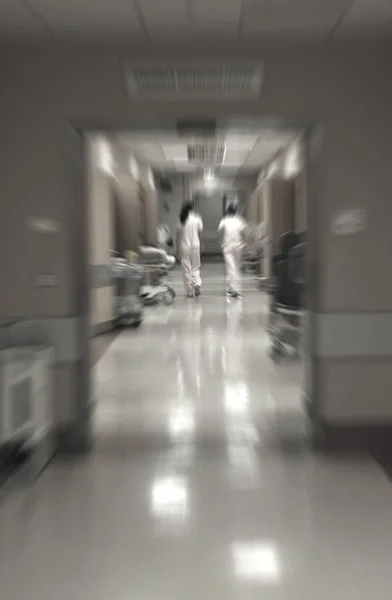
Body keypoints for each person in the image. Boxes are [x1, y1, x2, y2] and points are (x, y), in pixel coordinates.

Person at [218, 202, 246, 298]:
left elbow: (220, 232)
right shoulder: (239, 220)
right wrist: (243, 242)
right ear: (236, 211)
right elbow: (243, 233)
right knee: (235, 267)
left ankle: (235, 290)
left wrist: (221, 243)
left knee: (231, 268)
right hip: (238, 246)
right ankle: (232, 288)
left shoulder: (224, 220)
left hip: (227, 247)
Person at [176, 200, 203, 297]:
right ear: (193, 208)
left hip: (184, 246)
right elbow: (200, 233)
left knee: (186, 269)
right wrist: (202, 244)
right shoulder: (197, 218)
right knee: (195, 266)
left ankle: (189, 291)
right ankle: (196, 284)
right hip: (196, 245)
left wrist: (177, 248)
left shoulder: (181, 218)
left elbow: (178, 235)